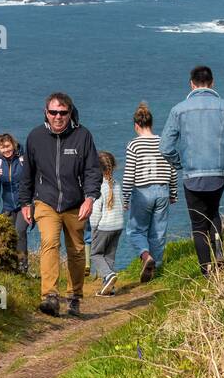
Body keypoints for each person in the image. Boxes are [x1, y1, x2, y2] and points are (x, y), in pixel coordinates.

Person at [18, 92, 102, 317]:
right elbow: (28, 173)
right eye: (53, 112)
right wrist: (25, 202)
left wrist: (90, 198)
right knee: (49, 242)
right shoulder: (35, 137)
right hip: (45, 201)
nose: (58, 117)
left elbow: (93, 170)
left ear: (70, 113)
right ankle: (50, 296)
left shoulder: (82, 136)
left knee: (76, 251)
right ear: (46, 113)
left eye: (63, 113)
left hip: (76, 202)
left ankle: (74, 296)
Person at [159, 66, 224, 276]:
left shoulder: (178, 110)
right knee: (213, 212)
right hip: (218, 174)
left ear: (192, 84)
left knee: (198, 223)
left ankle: (207, 271)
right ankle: (219, 255)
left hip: (192, 174)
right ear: (212, 82)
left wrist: (180, 164)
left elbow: (165, 147)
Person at [123, 101, 178, 282]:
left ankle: (146, 257)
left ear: (136, 125)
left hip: (142, 191)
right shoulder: (163, 142)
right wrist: (173, 193)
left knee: (136, 231)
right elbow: (172, 169)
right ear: (151, 124)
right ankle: (157, 269)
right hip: (162, 190)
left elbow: (129, 173)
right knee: (158, 232)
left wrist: (124, 197)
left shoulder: (134, 145)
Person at [0, 133, 31, 274]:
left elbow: (35, 175)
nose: (6, 150)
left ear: (13, 144)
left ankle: (23, 266)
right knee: (6, 234)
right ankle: (9, 266)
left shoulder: (23, 159)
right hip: (8, 206)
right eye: (2, 148)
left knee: (19, 232)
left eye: (7, 146)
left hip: (25, 204)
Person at [89, 151, 124, 295]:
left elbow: (96, 211)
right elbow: (122, 204)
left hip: (103, 226)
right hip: (118, 225)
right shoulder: (116, 184)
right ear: (113, 166)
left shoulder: (98, 186)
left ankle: (108, 276)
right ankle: (108, 288)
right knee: (109, 256)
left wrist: (93, 226)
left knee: (95, 254)